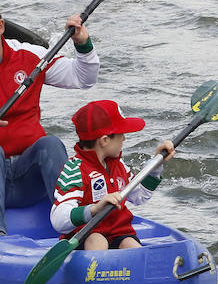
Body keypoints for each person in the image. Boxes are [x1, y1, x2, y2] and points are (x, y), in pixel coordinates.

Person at [0, 14, 98, 237]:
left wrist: (83, 44)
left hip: (29, 179)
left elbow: (83, 78)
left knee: (51, 144)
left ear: (1, 26)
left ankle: (77, 228)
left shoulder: (30, 56)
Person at [48, 101, 175, 251]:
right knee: (97, 240)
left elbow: (140, 196)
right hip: (85, 236)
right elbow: (58, 219)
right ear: (105, 140)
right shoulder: (75, 170)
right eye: (121, 134)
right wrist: (94, 209)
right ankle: (96, 272)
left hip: (118, 233)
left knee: (132, 246)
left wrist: (156, 165)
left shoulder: (118, 164)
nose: (124, 139)